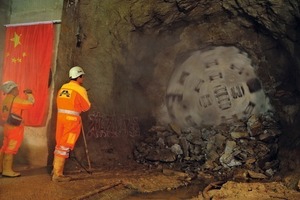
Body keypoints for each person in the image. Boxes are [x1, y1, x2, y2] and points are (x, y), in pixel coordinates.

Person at [52, 66, 91, 182]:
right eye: (82, 76)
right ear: (78, 77)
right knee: (65, 146)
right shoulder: (80, 89)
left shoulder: (63, 87)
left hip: (61, 119)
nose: (83, 78)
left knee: (59, 143)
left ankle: (55, 169)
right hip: (71, 121)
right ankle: (58, 175)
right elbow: (86, 106)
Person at [0, 81, 35, 177]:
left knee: (4, 147)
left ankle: (1, 168)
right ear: (12, 90)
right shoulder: (16, 100)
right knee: (11, 148)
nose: (18, 90)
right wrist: (29, 94)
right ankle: (7, 170)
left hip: (7, 126)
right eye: (16, 88)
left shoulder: (5, 100)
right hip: (15, 128)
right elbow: (30, 104)